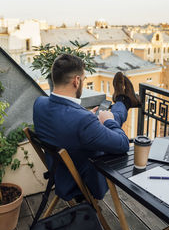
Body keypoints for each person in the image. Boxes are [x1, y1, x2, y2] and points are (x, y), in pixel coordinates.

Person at [33, 54, 141, 201]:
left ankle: (124, 100)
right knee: (110, 119)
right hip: (85, 180)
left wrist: (88, 118)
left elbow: (63, 124)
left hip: (60, 174)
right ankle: (124, 100)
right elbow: (123, 144)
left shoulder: (39, 103)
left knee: (106, 118)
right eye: (84, 80)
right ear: (76, 81)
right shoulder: (83, 121)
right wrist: (107, 121)